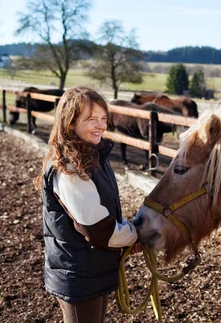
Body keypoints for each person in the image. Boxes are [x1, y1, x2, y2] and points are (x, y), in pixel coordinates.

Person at [35, 86, 141, 323]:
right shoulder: (70, 168)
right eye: (91, 119)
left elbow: (107, 214)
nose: (101, 125)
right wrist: (135, 235)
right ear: (70, 123)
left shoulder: (93, 158)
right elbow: (98, 228)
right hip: (79, 272)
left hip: (91, 268)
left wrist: (127, 235)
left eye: (103, 118)